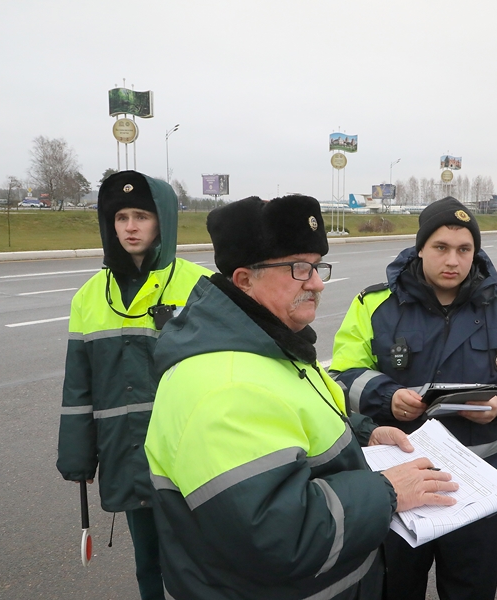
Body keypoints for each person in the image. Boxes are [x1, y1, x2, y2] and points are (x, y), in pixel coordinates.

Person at [144, 195, 459, 600]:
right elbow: (279, 533)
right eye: (299, 268)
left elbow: (298, 419)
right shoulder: (225, 386)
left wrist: (364, 434)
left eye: (317, 266)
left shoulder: (266, 343)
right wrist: (388, 492)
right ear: (244, 279)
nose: (317, 282)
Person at [330, 196, 497, 600]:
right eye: (441, 248)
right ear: (421, 249)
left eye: (464, 249)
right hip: (399, 482)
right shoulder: (373, 304)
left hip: (477, 486)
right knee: (393, 589)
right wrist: (387, 397)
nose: (453, 260)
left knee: (472, 590)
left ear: (475, 252)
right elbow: (341, 376)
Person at [57, 170, 212, 600]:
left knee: (198, 559)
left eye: (141, 215)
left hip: (190, 454)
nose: (129, 226)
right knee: (148, 561)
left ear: (162, 219)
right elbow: (79, 387)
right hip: (126, 453)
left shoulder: (199, 286)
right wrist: (78, 457)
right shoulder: (89, 297)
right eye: (120, 216)